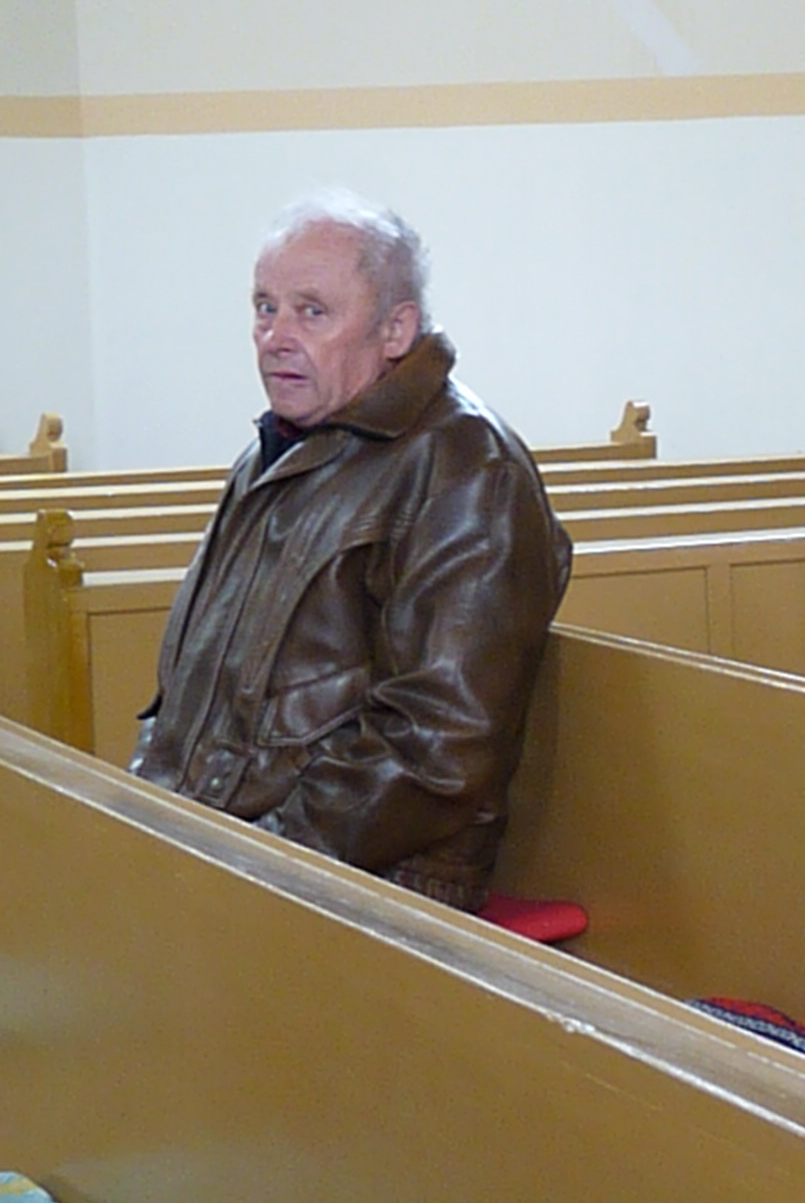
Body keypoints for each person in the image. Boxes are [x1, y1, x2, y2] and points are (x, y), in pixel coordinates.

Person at [131, 193, 572, 911]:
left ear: (396, 329)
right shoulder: (275, 450)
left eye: (312, 311)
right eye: (265, 307)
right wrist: (148, 810)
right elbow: (188, 694)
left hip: (364, 891)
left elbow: (439, 748)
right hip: (231, 850)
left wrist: (258, 863)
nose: (275, 337)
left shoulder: (466, 467)